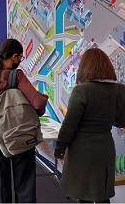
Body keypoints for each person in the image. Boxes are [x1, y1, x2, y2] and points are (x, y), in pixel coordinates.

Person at [0, 38, 47, 203]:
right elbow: (37, 102)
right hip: (20, 134)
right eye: (20, 58)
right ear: (14, 56)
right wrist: (43, 99)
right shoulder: (16, 76)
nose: (19, 61)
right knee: (24, 183)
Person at [56, 48, 125, 203]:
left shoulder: (82, 90)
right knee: (102, 195)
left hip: (82, 152)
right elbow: (121, 122)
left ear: (85, 67)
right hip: (105, 149)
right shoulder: (119, 90)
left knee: (84, 195)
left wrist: (59, 148)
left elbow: (69, 124)